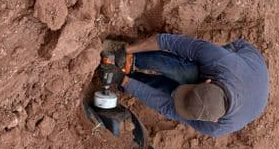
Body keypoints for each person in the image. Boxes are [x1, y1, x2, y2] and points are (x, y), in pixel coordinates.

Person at [101, 32, 269, 138]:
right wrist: (127, 50)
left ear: (215, 119)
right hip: (243, 54)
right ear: (208, 81)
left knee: (177, 97)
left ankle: (129, 74)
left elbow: (166, 105)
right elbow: (167, 42)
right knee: (187, 71)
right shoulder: (218, 60)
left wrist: (122, 81)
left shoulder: (216, 128)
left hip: (252, 97)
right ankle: (134, 59)